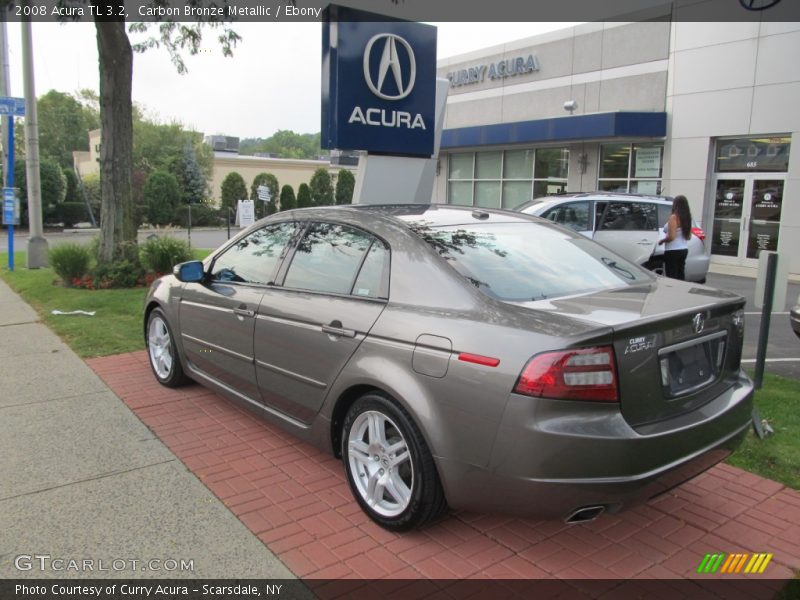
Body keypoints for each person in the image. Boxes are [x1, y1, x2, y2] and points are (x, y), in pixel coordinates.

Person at [658, 195, 692, 280]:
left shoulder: (674, 217)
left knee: (671, 274)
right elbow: (688, 237)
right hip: (684, 249)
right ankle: (680, 290)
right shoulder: (687, 218)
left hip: (672, 250)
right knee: (680, 273)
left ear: (676, 204)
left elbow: (672, 237)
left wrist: (662, 241)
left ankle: (672, 291)